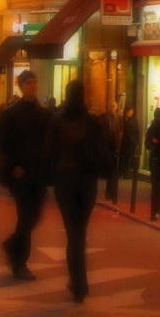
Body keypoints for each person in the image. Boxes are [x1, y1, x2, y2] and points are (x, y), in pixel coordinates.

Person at [42, 79, 107, 303]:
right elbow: (104, 150)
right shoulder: (92, 121)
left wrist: (48, 176)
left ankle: (77, 282)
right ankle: (81, 283)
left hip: (65, 180)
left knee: (72, 233)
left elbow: (48, 151)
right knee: (80, 230)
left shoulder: (58, 120)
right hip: (87, 180)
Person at [0, 70, 51, 280]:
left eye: (35, 82)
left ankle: (12, 245)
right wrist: (12, 164)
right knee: (26, 216)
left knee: (33, 216)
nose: (33, 86)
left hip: (37, 173)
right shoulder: (11, 113)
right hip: (19, 174)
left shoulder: (44, 114)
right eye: (29, 83)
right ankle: (20, 263)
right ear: (22, 87)